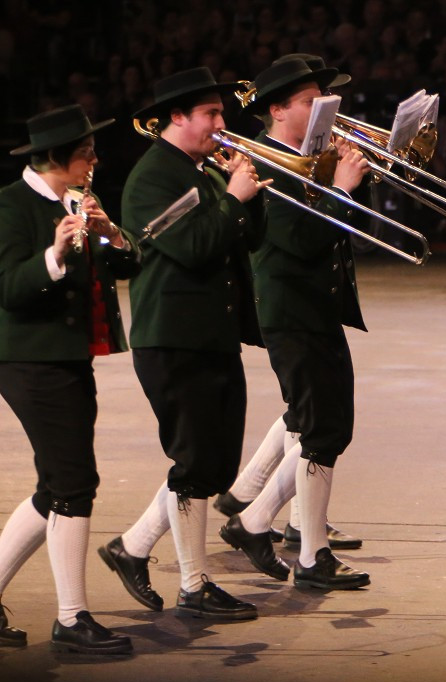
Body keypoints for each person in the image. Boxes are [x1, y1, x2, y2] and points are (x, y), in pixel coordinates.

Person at [99, 67, 269, 620]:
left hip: (212, 336)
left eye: (222, 113)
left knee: (215, 465)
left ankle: (131, 548)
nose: (223, 124)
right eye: (212, 115)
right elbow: (193, 247)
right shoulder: (152, 178)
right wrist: (235, 198)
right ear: (177, 116)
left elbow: (249, 238)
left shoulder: (205, 173)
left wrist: (252, 192)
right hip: (173, 340)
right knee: (195, 461)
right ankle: (194, 586)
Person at [214, 57, 371, 590]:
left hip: (318, 309)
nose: (325, 110)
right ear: (278, 110)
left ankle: (255, 521)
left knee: (328, 425)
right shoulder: (265, 162)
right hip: (292, 312)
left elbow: (341, 231)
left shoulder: (305, 157)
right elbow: (302, 240)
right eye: (311, 102)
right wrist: (342, 191)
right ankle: (312, 555)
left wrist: (349, 178)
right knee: (318, 427)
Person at [0, 105, 138, 654]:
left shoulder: (80, 201)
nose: (95, 161)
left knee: (57, 484)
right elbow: (8, 287)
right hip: (29, 359)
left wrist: (111, 236)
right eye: (87, 153)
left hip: (70, 356)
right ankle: (72, 617)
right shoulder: (11, 206)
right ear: (59, 158)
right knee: (75, 484)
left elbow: (127, 267)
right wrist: (54, 255)